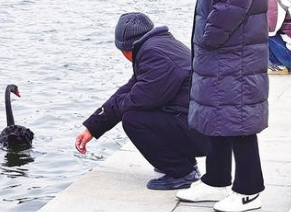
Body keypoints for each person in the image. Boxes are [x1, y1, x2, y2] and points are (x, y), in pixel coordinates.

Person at [176, 0, 271, 212]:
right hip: (230, 48)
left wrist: (208, 38)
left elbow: (231, 3)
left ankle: (249, 189)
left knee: (238, 118)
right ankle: (216, 180)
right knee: (218, 113)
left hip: (233, 49)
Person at [75, 12, 209, 190]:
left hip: (205, 135)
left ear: (125, 49)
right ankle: (180, 163)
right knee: (142, 111)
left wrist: (110, 115)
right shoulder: (160, 45)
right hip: (202, 128)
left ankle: (182, 172)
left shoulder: (154, 54)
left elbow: (140, 98)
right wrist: (93, 127)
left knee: (133, 119)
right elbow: (127, 90)